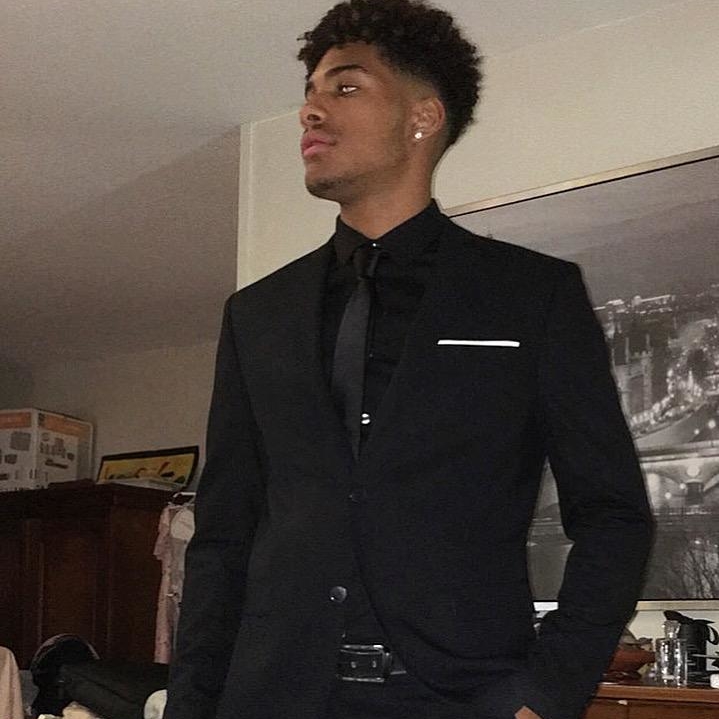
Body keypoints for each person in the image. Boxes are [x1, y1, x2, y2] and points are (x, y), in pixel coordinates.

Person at [165, 1, 653, 718]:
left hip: (460, 696)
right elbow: (223, 535)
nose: (310, 111)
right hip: (272, 694)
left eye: (345, 86)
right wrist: (191, 704)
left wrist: (547, 692)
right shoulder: (256, 314)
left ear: (422, 117)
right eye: (309, 93)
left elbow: (613, 514)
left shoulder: (530, 295)